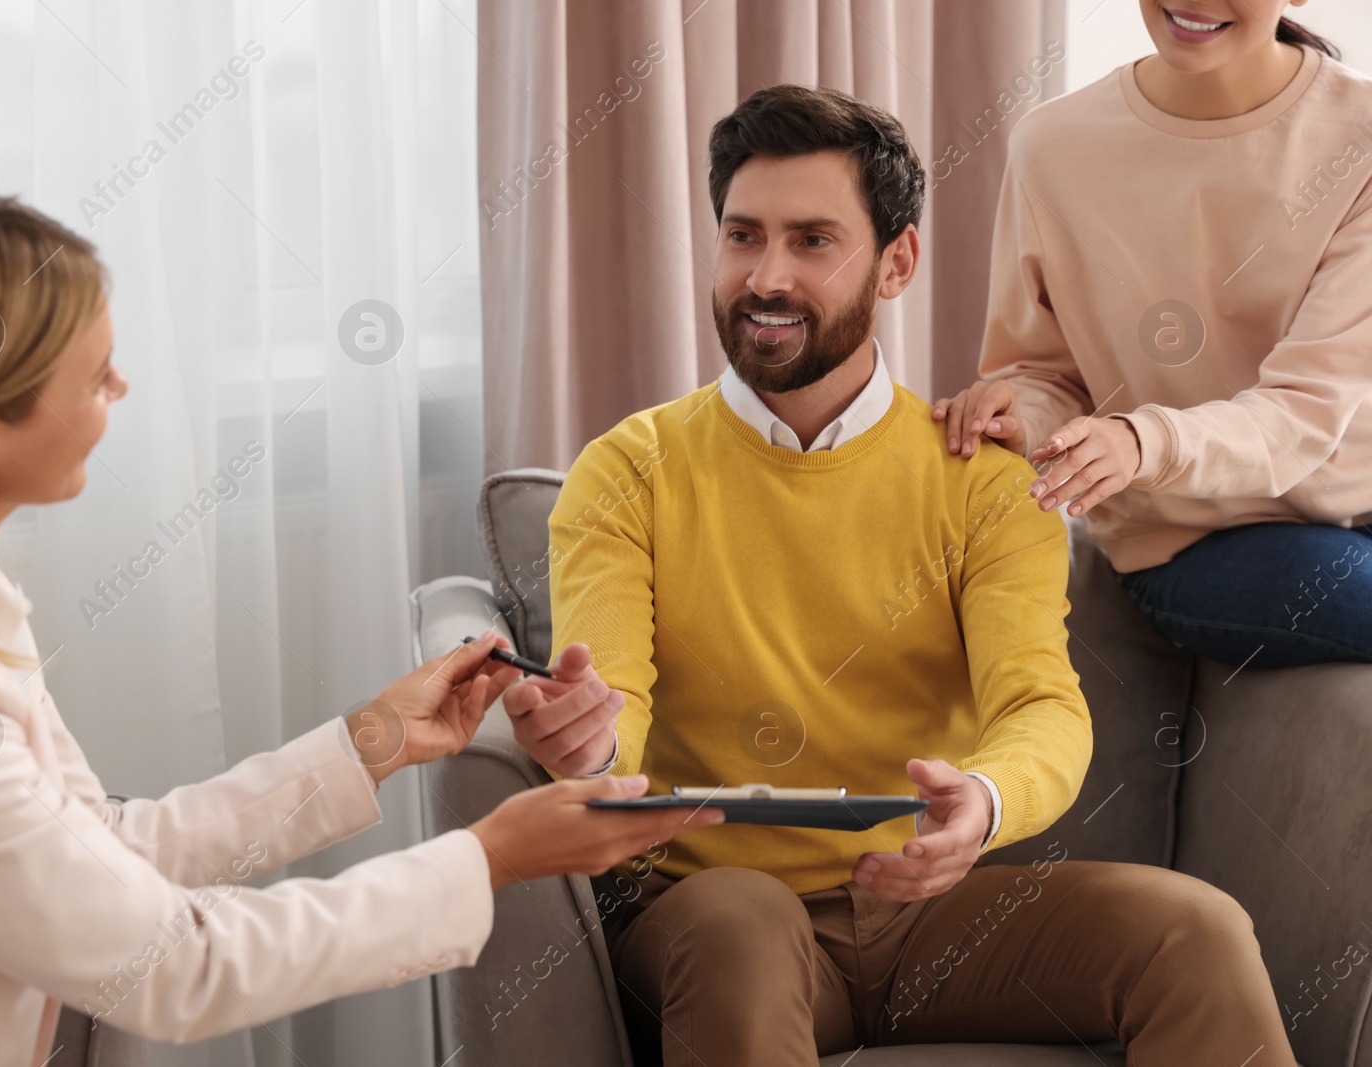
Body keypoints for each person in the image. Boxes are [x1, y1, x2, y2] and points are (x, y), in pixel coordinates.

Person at [0, 189, 718, 1066]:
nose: (125, 389)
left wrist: (372, 742)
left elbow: (104, 851)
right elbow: (168, 965)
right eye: (97, 375)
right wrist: (491, 856)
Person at [509, 84, 1293, 1065]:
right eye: (742, 235)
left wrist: (985, 796)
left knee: (1196, 931)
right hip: (713, 906)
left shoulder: (982, 480)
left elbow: (1041, 703)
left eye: (811, 241)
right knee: (742, 928)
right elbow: (612, 705)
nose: (765, 275)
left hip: (928, 909)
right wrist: (584, 743)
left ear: (897, 261)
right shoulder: (627, 470)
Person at [936, 0, 1372, 668]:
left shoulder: (1360, 137)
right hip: (1190, 540)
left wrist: (1144, 439)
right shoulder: (1054, 148)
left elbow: (1306, 410)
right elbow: (1045, 373)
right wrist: (1019, 418)